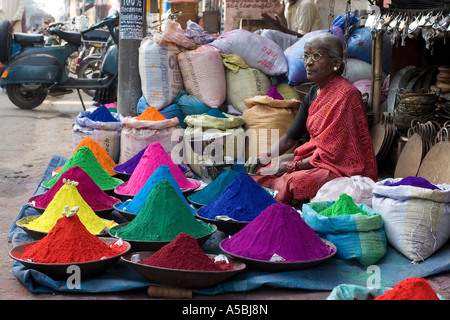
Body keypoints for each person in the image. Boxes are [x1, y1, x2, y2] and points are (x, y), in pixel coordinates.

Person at [245, 33, 378, 205]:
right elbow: (289, 138)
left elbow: (336, 155)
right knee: (264, 171)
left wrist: (293, 166)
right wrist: (264, 157)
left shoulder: (347, 96)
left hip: (341, 168)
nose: (308, 62)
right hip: (317, 160)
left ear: (336, 63)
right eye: (306, 56)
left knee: (293, 182)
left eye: (316, 56)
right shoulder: (313, 93)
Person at [258, 0, 324, 50]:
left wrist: (278, 26)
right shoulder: (287, 3)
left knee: (268, 34)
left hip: (309, 45)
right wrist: (281, 17)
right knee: (260, 33)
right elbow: (288, 33)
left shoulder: (306, 5)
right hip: (295, 43)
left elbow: (301, 37)